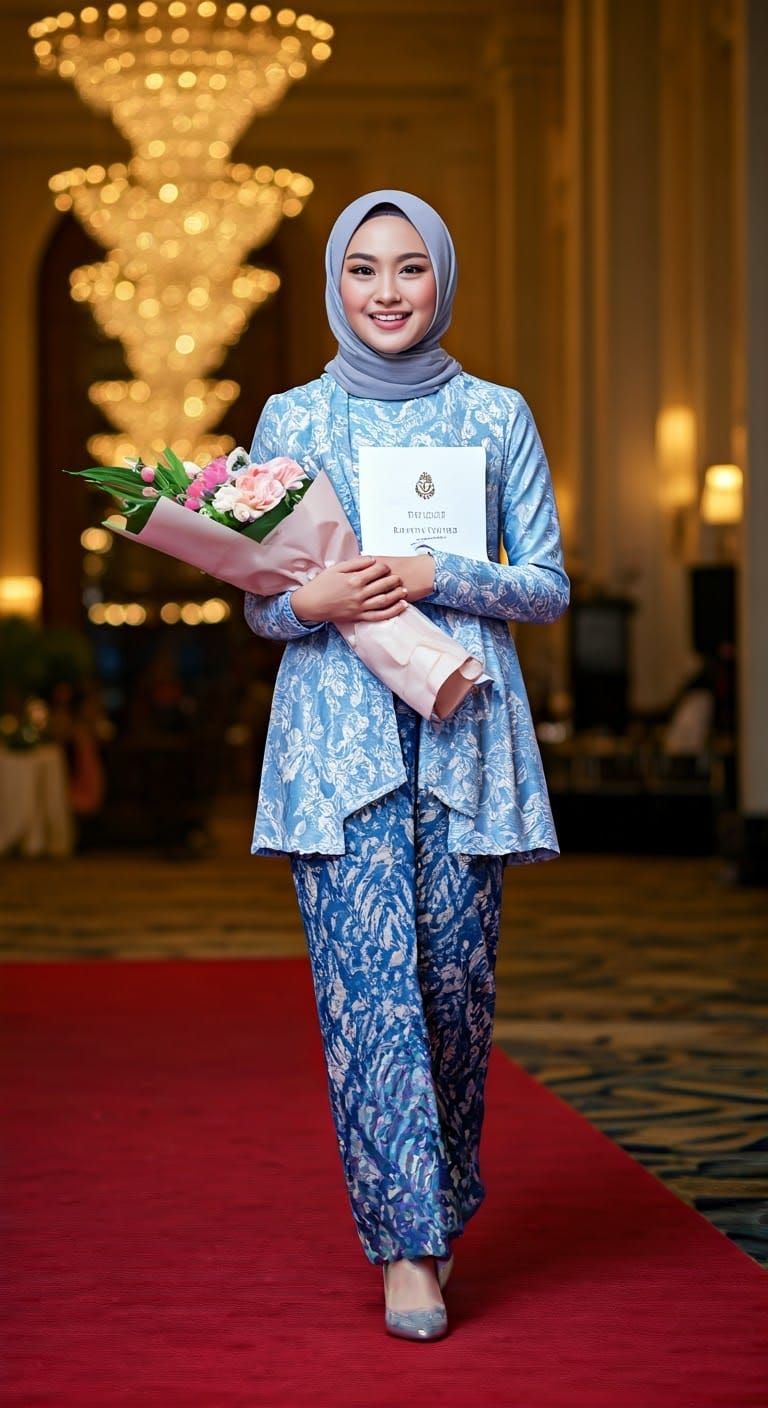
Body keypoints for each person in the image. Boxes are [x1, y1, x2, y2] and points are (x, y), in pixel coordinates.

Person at [243, 189, 569, 1341]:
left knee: (452, 1001)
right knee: (367, 1002)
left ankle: (439, 1199)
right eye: (363, 270)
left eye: (409, 269)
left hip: (463, 738)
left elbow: (548, 584)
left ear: (441, 280)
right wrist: (307, 599)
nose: (387, 291)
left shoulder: (496, 414)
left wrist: (441, 570)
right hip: (340, 756)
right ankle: (409, 1248)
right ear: (336, 284)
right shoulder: (291, 417)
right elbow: (263, 610)